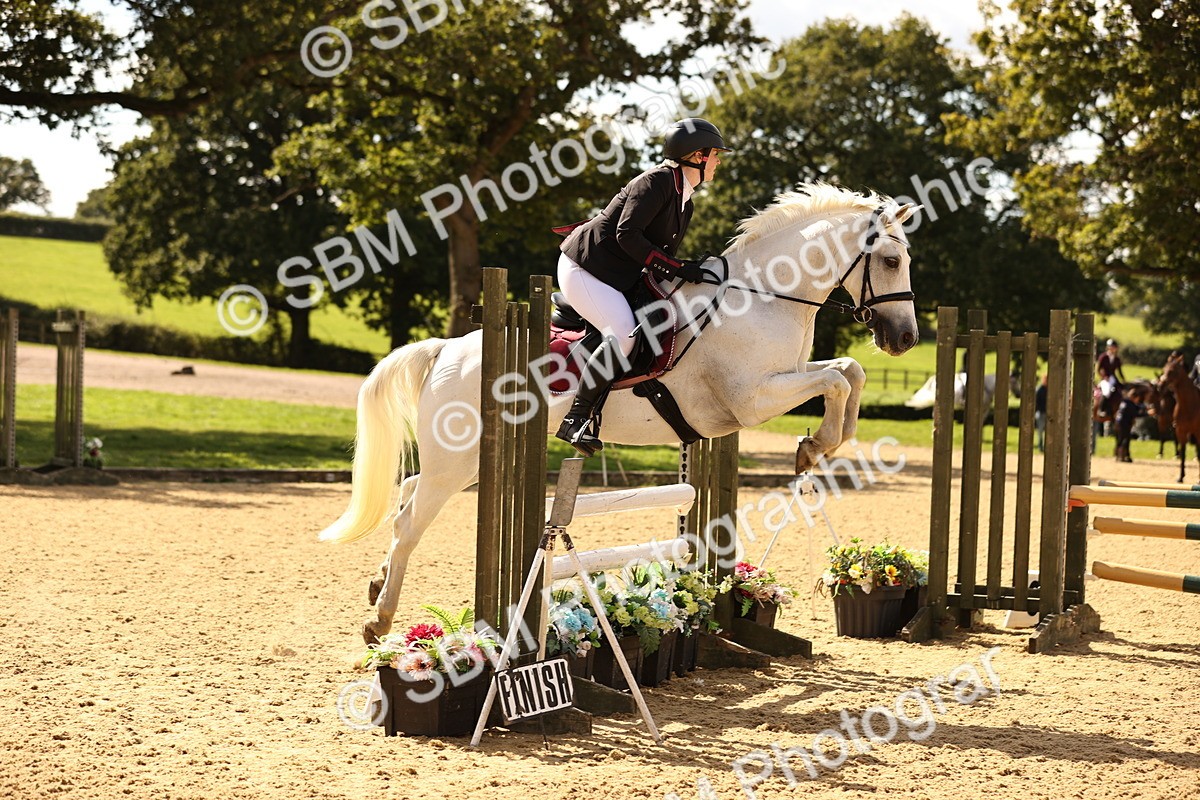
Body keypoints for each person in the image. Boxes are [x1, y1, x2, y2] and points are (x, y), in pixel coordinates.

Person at [552, 118, 732, 456]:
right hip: (586, 268)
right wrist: (678, 268)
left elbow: (659, 255)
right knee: (623, 334)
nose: (719, 161)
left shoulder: (685, 199)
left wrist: (691, 271)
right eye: (715, 154)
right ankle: (576, 419)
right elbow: (627, 234)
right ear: (697, 155)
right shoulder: (657, 182)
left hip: (616, 276)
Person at [1034, 373, 1048, 452]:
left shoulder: (1048, 389)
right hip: (1040, 412)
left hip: (1047, 413)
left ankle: (1045, 446)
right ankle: (1040, 446)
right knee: (1040, 431)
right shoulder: (1039, 390)